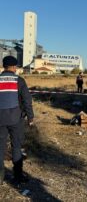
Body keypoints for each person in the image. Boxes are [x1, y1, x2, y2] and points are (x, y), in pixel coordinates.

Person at [0, 56, 34, 185]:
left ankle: (0, 177)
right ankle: (17, 177)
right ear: (14, 67)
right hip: (15, 118)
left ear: (4, 66)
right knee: (16, 146)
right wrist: (30, 117)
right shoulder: (19, 80)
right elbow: (27, 100)